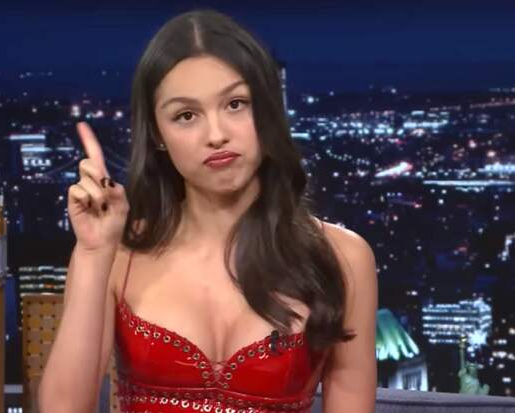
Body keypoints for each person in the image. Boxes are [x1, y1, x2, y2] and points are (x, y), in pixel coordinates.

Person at [38, 9, 377, 413]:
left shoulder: (344, 258)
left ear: (267, 111)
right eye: (186, 115)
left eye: (236, 104)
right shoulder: (118, 255)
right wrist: (93, 253)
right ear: (158, 134)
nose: (216, 135)